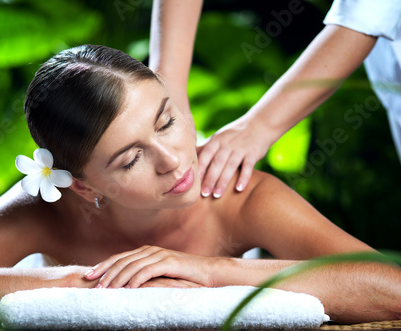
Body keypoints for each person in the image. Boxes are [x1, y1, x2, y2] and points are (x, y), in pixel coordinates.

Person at [0, 45, 399, 325]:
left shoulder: (235, 193)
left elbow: (391, 287)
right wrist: (75, 284)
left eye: (166, 120)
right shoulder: (45, 207)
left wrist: (208, 271)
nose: (174, 160)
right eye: (131, 159)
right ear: (82, 186)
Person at [149, 0, 401, 198]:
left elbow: (365, 17)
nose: (170, 162)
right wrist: (168, 87)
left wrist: (259, 127)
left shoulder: (251, 199)